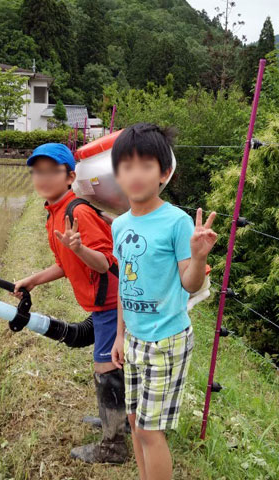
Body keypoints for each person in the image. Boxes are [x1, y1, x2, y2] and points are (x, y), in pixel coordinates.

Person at [109, 123, 217, 480]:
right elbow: (125, 283)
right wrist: (120, 335)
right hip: (135, 339)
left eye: (145, 165)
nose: (135, 174)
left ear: (164, 172)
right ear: (117, 173)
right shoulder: (119, 225)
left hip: (166, 341)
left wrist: (199, 257)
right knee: (133, 420)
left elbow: (190, 284)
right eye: (126, 165)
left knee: (148, 431)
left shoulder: (177, 222)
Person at [12, 142, 128, 464]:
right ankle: (116, 421)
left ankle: (113, 445)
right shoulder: (53, 213)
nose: (43, 178)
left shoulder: (76, 212)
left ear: (70, 176)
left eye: (52, 171)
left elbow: (106, 263)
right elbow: (64, 263)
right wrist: (31, 280)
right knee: (113, 365)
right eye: (38, 171)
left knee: (106, 367)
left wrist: (79, 249)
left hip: (111, 301)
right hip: (101, 301)